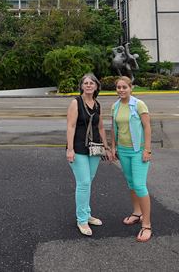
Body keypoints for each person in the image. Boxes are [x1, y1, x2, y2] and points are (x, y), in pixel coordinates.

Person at [109, 76, 153, 242]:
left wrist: (147, 150)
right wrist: (113, 147)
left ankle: (146, 225)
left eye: (124, 87)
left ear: (130, 88)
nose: (121, 90)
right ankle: (137, 212)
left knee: (140, 185)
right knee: (131, 183)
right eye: (118, 87)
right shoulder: (115, 106)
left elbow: (147, 126)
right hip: (123, 150)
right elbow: (114, 128)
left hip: (138, 151)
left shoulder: (139, 104)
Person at [66, 73, 110, 236]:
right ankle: (82, 220)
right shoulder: (75, 102)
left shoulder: (97, 104)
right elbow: (70, 126)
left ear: (97, 86)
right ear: (82, 86)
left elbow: (100, 128)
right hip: (78, 148)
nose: (89, 85)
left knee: (88, 182)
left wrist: (106, 147)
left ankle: (87, 213)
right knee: (83, 182)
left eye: (92, 83)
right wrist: (70, 149)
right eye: (86, 83)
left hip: (95, 148)